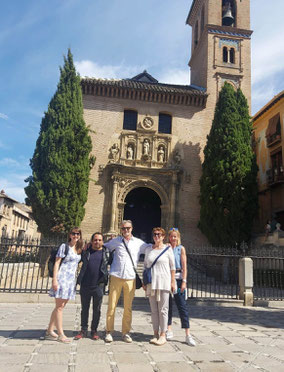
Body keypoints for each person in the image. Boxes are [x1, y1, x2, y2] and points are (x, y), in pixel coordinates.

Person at [104, 220, 148, 343]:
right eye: (123, 228)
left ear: (132, 228)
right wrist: (88, 245)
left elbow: (151, 249)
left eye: (128, 228)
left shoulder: (139, 243)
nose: (126, 230)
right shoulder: (116, 241)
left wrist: (165, 246)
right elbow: (103, 246)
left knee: (128, 307)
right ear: (121, 229)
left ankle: (126, 332)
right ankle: (109, 331)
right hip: (116, 276)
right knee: (111, 306)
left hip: (130, 278)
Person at [46, 227, 83, 343]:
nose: (75, 235)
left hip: (71, 281)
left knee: (60, 307)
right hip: (62, 279)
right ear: (70, 235)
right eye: (73, 234)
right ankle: (61, 334)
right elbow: (57, 263)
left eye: (77, 234)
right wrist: (54, 280)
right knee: (59, 308)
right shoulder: (64, 246)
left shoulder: (78, 248)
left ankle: (49, 330)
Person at [143, 227, 175, 346]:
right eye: (155, 234)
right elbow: (146, 266)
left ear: (163, 237)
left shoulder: (168, 249)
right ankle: (155, 333)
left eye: (159, 234)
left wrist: (173, 282)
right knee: (154, 310)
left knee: (163, 310)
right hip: (152, 283)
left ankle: (163, 334)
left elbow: (172, 267)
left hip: (164, 282)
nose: (157, 236)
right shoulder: (148, 250)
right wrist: (144, 282)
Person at [74, 232, 109, 340]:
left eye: (99, 240)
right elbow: (74, 256)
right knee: (84, 308)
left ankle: (94, 330)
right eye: (95, 240)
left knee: (97, 309)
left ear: (103, 241)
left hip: (99, 285)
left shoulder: (106, 253)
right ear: (91, 241)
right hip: (85, 284)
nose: (97, 242)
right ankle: (83, 329)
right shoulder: (86, 252)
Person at [166, 228, 196, 346]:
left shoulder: (181, 248)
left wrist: (184, 281)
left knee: (182, 306)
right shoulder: (167, 248)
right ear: (169, 237)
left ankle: (188, 334)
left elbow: (184, 266)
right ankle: (169, 329)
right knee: (167, 306)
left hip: (178, 281)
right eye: (171, 236)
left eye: (175, 236)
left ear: (178, 237)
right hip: (168, 280)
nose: (173, 238)